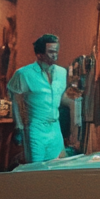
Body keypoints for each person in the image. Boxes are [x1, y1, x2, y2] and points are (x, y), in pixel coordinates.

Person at [6, 34, 70, 164]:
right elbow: (16, 100)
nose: (55, 55)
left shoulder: (62, 72)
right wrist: (19, 126)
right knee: (35, 168)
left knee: (57, 166)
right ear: (40, 54)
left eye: (56, 51)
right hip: (36, 127)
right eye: (51, 52)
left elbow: (60, 97)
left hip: (54, 126)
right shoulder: (24, 74)